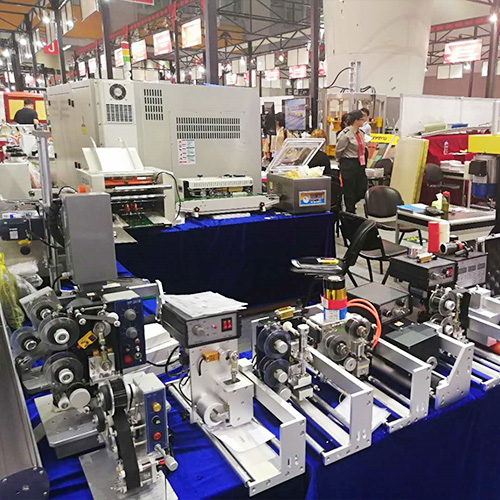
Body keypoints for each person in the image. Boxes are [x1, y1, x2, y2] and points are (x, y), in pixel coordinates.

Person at [335, 110, 368, 214]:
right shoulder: (345, 134)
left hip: (360, 162)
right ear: (356, 120)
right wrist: (339, 161)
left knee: (361, 188)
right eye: (362, 119)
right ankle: (350, 211)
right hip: (349, 162)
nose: (363, 121)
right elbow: (339, 150)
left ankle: (353, 204)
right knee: (349, 189)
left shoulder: (361, 133)